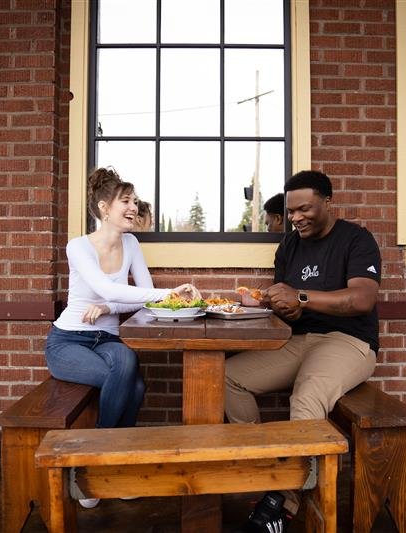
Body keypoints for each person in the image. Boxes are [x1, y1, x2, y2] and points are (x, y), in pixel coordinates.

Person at [225, 170, 381, 531]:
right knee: (228, 377)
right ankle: (269, 472)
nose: (295, 218)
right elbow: (290, 302)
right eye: (291, 211)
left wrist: (303, 298)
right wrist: (276, 302)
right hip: (298, 341)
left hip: (348, 342)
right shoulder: (290, 245)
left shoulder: (357, 240)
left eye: (304, 209)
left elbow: (362, 298)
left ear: (328, 202)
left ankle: (287, 501)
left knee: (307, 398)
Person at [45, 167, 200, 508]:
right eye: (125, 201)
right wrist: (169, 292)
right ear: (104, 208)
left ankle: (99, 461)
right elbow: (106, 288)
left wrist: (107, 307)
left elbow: (142, 294)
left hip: (108, 338)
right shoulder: (78, 247)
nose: (134, 207)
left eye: (134, 200)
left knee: (127, 364)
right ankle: (109, 464)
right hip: (69, 341)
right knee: (134, 384)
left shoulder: (130, 243)